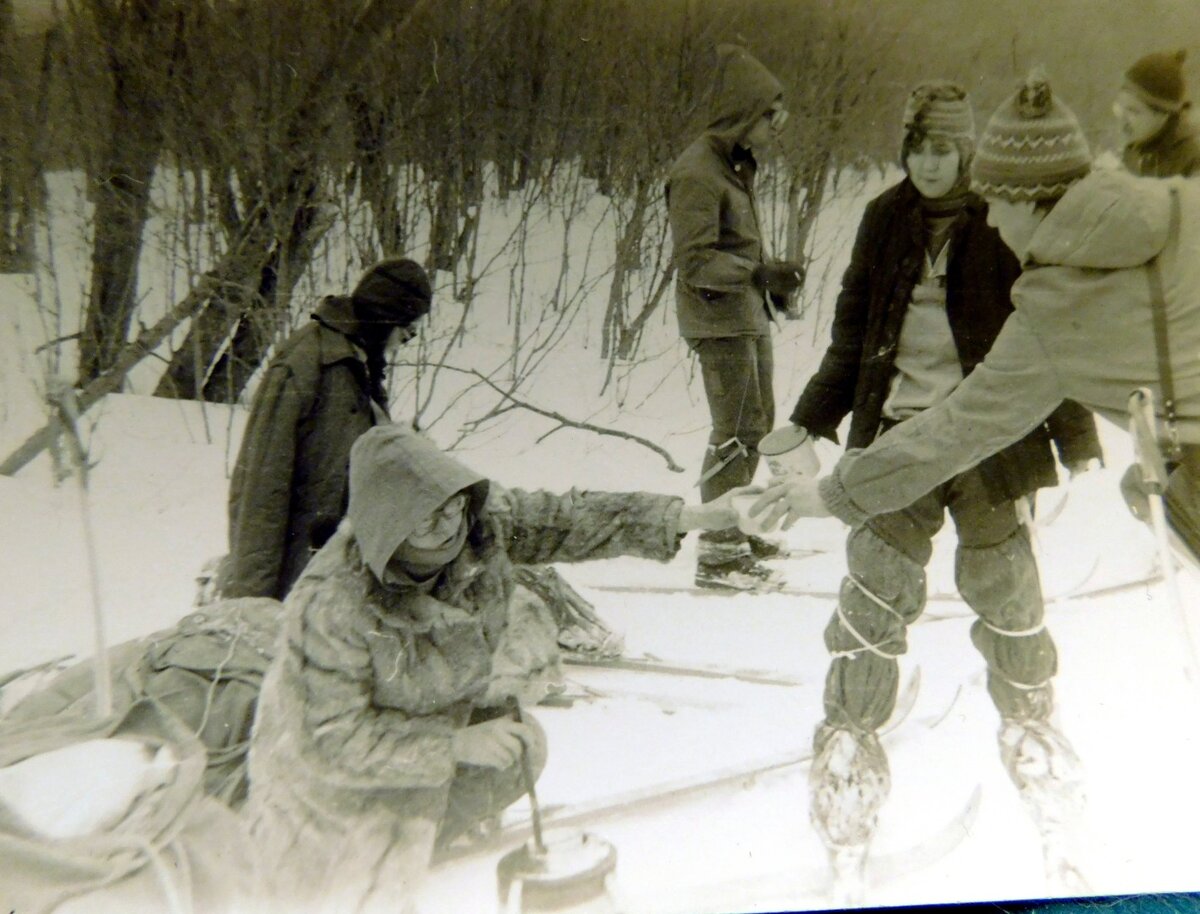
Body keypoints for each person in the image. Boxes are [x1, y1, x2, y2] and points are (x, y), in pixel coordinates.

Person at [755, 71, 1200, 891]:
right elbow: (856, 335)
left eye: (951, 154)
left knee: (1010, 604)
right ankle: (850, 774)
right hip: (900, 441)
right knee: (873, 601)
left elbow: (1014, 379)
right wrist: (812, 423)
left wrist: (1085, 444)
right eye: (919, 148)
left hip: (986, 455)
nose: (937, 169)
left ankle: (1039, 758)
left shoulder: (1032, 254)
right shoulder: (892, 219)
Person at [242, 424, 742, 913]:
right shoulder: (332, 604)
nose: (448, 526)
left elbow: (570, 519)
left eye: (452, 506)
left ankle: (430, 841)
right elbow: (329, 740)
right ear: (385, 523)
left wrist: (694, 517)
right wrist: (454, 746)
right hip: (325, 794)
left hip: (419, 729)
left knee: (519, 746)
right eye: (424, 519)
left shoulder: (479, 525)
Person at [666, 43, 805, 592]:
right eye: (772, 117)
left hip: (745, 315)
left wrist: (767, 277)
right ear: (746, 113)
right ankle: (719, 556)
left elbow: (733, 250)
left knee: (755, 428)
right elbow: (695, 260)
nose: (777, 129)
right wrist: (756, 274)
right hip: (717, 319)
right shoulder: (698, 172)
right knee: (734, 436)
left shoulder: (732, 164)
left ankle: (742, 529)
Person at [221, 257, 432, 600]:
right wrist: (251, 601)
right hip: (295, 582)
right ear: (386, 317)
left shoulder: (360, 366)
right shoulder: (306, 364)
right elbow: (260, 491)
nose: (409, 337)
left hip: (334, 578)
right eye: (408, 327)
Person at [1115, 49, 1200, 178]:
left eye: (1134, 111)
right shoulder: (1136, 147)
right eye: (1122, 106)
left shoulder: (1193, 158)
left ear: (1163, 115)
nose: (1123, 118)